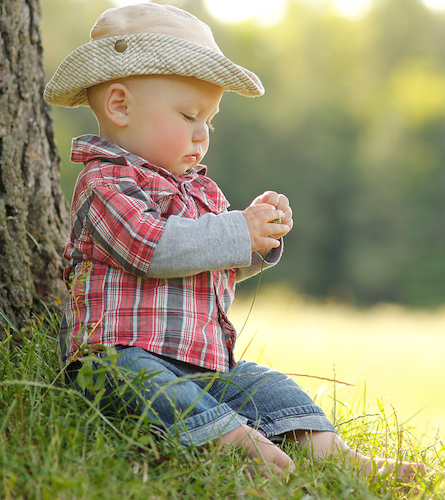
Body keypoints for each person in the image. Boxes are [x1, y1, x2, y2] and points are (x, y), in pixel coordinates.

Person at [44, 3, 425, 483]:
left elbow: (205, 260)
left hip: (200, 360)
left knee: (268, 387)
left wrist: (256, 241)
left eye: (210, 121)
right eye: (189, 116)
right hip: (117, 355)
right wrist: (235, 230)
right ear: (120, 106)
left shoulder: (199, 189)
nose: (202, 135)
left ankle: (333, 455)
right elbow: (154, 249)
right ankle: (236, 449)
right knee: (144, 386)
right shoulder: (105, 183)